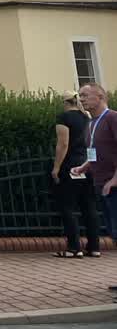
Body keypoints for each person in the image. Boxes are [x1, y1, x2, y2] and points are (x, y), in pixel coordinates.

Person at [73, 84, 117, 277]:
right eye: (79, 96)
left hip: (113, 185)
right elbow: (94, 153)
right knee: (113, 233)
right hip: (101, 183)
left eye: (85, 95)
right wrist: (83, 167)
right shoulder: (91, 123)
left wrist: (115, 179)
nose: (81, 99)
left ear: (100, 96)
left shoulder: (112, 118)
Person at [51, 91, 102, 258]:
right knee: (89, 206)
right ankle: (94, 247)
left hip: (71, 166)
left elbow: (63, 143)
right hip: (87, 165)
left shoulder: (64, 118)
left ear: (65, 102)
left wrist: (56, 167)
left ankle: (74, 247)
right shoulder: (87, 118)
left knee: (68, 206)